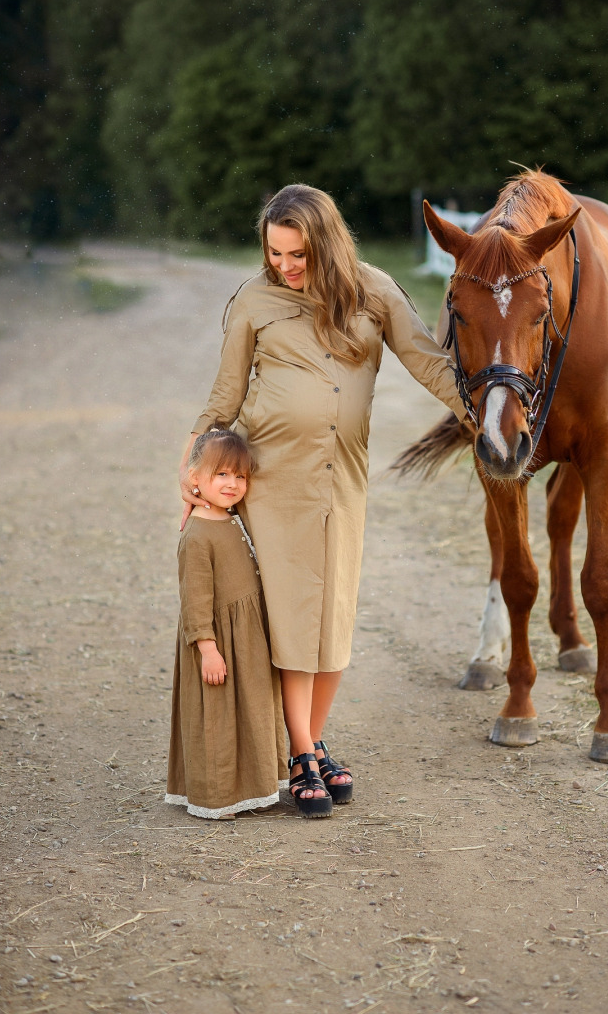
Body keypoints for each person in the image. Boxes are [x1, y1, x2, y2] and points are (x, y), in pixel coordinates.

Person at [179, 184, 468, 818]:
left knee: (332, 617)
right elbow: (226, 393)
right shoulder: (254, 300)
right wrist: (197, 463)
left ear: (328, 245)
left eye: (298, 254)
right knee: (290, 616)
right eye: (275, 252)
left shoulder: (374, 291)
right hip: (273, 480)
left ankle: (306, 744)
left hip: (342, 477)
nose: (284, 265)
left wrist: (490, 411)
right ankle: (304, 755)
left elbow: (429, 363)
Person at [166, 428, 288, 819]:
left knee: (251, 713)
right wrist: (208, 649)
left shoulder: (234, 519)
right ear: (194, 479)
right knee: (218, 720)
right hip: (218, 643)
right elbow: (195, 600)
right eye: (222, 474)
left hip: (247, 641)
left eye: (241, 476)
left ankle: (253, 787)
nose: (233, 484)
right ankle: (216, 796)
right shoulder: (198, 534)